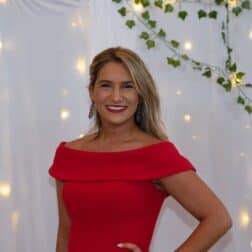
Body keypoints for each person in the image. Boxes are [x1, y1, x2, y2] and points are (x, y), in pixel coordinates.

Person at [48, 47, 232, 252]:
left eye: (128, 86)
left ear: (140, 93)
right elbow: (65, 235)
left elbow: (218, 219)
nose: (116, 97)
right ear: (92, 92)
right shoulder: (69, 155)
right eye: (106, 86)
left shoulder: (157, 154)